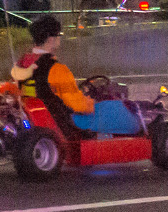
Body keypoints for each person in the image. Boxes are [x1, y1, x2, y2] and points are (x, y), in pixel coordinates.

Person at [12, 14, 141, 138]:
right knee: (116, 107)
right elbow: (78, 106)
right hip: (67, 121)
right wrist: (92, 101)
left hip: (43, 116)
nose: (60, 39)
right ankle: (140, 131)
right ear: (51, 39)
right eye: (59, 35)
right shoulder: (56, 69)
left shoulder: (24, 63)